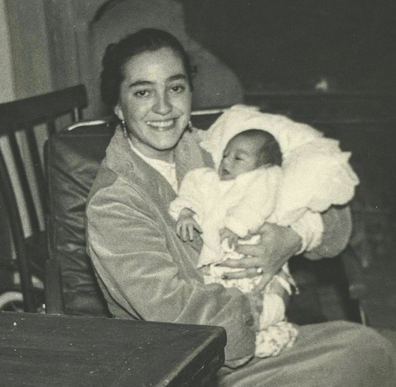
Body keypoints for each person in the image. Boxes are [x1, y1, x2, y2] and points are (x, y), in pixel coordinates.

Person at [85, 28, 395, 386]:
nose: (163, 106)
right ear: (119, 107)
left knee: (372, 347)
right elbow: (180, 314)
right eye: (142, 92)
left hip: (251, 344)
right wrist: (267, 303)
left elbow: (335, 218)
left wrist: (292, 238)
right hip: (186, 363)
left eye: (175, 87)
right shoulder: (114, 202)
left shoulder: (211, 147)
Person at [170, 128, 299, 358]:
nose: (226, 161)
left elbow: (259, 203)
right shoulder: (209, 180)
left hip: (250, 248)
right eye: (226, 155)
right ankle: (254, 338)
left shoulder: (264, 178)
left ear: (263, 166)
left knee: (260, 295)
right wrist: (186, 213)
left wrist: (236, 226)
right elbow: (191, 193)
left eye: (238, 158)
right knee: (225, 298)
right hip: (219, 261)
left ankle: (271, 321)